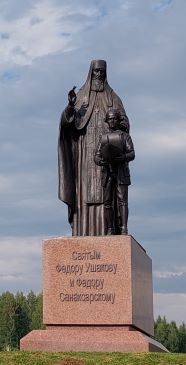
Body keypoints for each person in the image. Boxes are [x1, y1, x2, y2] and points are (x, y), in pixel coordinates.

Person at [58, 59, 130, 236]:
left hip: (108, 156)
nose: (99, 74)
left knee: (109, 194)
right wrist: (69, 106)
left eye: (102, 72)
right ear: (91, 73)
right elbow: (67, 123)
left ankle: (111, 229)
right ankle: (83, 231)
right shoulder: (81, 96)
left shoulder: (113, 98)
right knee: (84, 192)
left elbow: (126, 124)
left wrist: (121, 123)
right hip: (85, 155)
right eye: (96, 71)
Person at [94, 109, 134, 235]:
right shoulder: (103, 137)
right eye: (109, 119)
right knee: (107, 202)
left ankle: (123, 228)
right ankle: (110, 228)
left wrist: (122, 158)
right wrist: (101, 161)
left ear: (117, 120)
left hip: (121, 172)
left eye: (114, 119)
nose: (111, 121)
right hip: (107, 173)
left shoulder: (124, 136)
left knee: (122, 201)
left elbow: (132, 153)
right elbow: (97, 156)